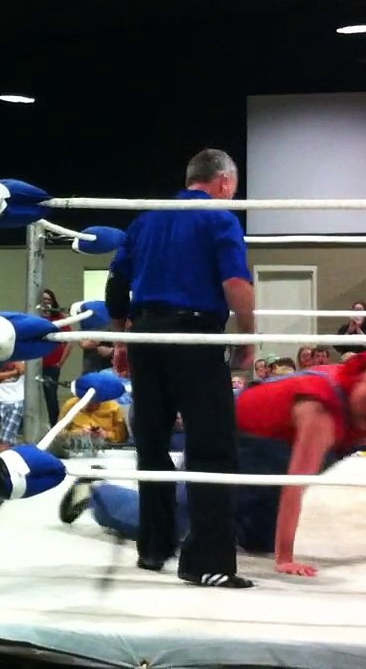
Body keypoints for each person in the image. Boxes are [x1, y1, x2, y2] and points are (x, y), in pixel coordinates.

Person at [62, 352, 366, 577]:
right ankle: (98, 491)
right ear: (357, 389)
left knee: (254, 541)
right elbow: (296, 482)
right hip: (234, 436)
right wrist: (287, 559)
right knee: (183, 526)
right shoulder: (321, 410)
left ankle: (233, 516)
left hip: (275, 445)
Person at [105, 148, 256, 588]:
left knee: (151, 442)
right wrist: (247, 339)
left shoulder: (147, 218)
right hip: (194, 336)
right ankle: (207, 562)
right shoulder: (219, 218)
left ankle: (154, 548)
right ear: (225, 183)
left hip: (147, 336)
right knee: (212, 447)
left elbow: (117, 283)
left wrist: (122, 338)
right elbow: (235, 283)